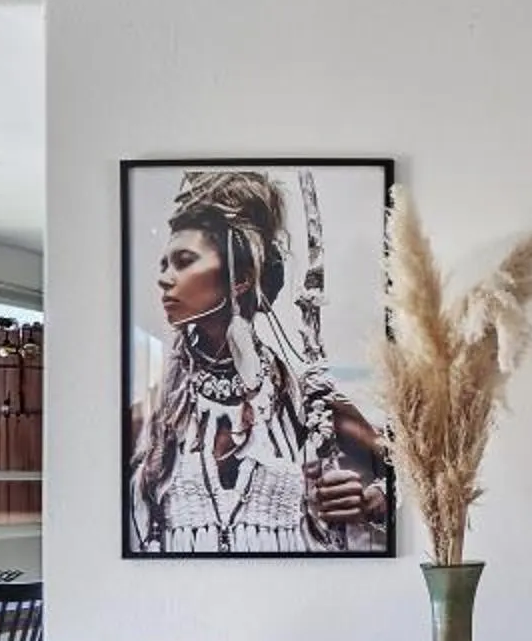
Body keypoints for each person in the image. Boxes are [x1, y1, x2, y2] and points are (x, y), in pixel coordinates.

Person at [127, 169, 389, 553]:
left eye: (183, 261)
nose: (165, 279)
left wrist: (372, 499)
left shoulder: (305, 399)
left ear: (241, 278)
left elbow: (410, 471)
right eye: (163, 265)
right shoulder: (151, 418)